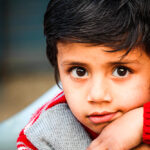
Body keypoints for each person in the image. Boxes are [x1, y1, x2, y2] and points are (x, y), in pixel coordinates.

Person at [17, 0, 150, 149]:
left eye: (121, 71)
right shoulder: (44, 136)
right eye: (79, 71)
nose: (97, 95)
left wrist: (142, 122)